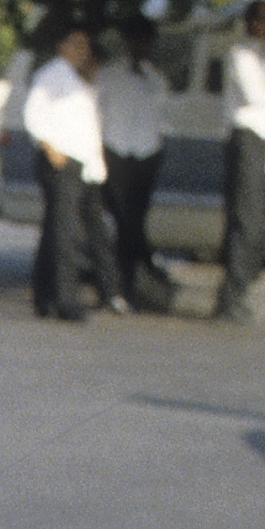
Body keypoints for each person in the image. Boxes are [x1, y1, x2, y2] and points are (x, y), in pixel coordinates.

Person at [22, 23, 120, 319]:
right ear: (61, 46)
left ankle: (44, 295)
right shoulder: (52, 75)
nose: (82, 51)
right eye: (75, 44)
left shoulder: (80, 80)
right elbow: (33, 114)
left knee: (55, 232)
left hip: (80, 164)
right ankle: (66, 301)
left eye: (85, 46)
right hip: (60, 162)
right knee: (65, 235)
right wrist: (50, 148)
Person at [215, 0, 265, 319]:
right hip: (246, 136)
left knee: (260, 219)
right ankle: (230, 297)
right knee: (245, 216)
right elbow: (257, 96)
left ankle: (242, 287)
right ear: (255, 23)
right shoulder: (242, 55)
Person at [96, 18, 172, 310]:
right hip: (116, 154)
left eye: (146, 42)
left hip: (145, 155)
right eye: (136, 40)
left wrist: (156, 151)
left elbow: (161, 119)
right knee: (119, 222)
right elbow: (99, 114)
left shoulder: (156, 78)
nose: (141, 47)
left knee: (135, 221)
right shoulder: (110, 75)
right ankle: (116, 285)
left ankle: (128, 285)